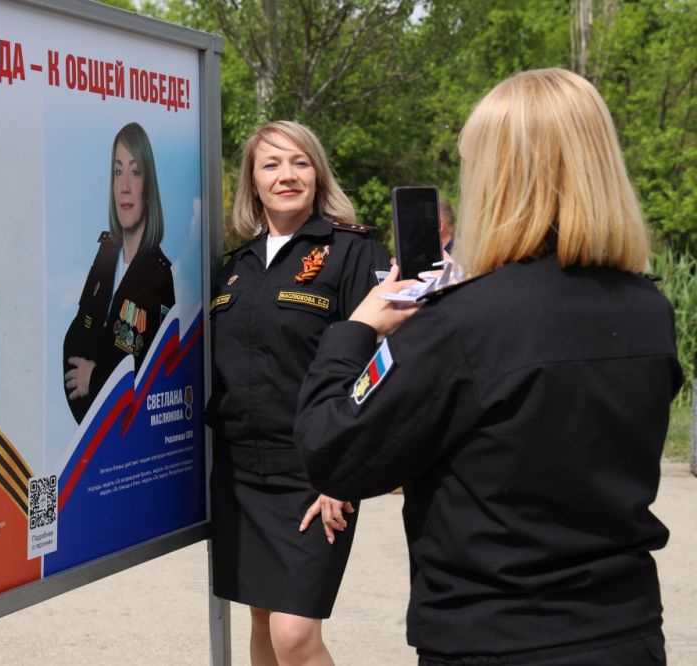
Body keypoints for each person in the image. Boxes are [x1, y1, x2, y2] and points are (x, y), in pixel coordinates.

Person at [295, 68, 682, 665]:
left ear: (499, 177)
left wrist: (357, 330)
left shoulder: (462, 324)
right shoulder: (648, 309)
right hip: (624, 632)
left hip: (495, 637)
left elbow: (332, 450)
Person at [207, 120, 389, 665]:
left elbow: (379, 367)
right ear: (253, 183)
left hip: (316, 473)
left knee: (294, 634)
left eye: (300, 162)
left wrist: (343, 472)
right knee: (262, 621)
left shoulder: (353, 252)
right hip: (241, 477)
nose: (286, 175)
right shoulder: (234, 267)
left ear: (318, 174)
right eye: (271, 164)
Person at [63, 122, 175, 424]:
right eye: (117, 172)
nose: (124, 185)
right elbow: (79, 332)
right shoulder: (105, 254)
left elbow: (156, 373)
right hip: (89, 429)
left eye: (135, 172)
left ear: (149, 186)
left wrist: (96, 377)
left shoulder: (160, 276)